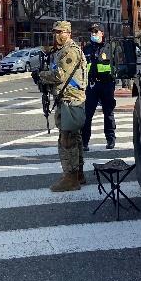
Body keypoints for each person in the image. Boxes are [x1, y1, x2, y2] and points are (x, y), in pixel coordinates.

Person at [34, 21, 87, 192]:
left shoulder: (70, 50)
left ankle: (71, 178)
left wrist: (41, 76)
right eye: (55, 32)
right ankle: (78, 174)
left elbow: (60, 75)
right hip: (67, 99)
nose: (57, 35)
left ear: (68, 33)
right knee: (75, 137)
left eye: (60, 32)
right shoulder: (62, 51)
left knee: (67, 139)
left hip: (71, 100)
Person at [82, 23, 116, 151]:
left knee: (108, 113)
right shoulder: (87, 49)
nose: (93, 34)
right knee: (87, 114)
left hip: (107, 84)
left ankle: (110, 139)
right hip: (92, 85)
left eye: (96, 32)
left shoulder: (109, 48)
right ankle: (84, 142)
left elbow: (117, 64)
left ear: (102, 33)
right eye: (92, 32)